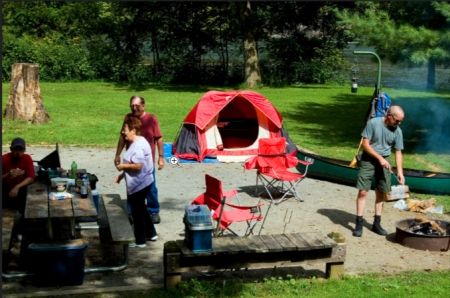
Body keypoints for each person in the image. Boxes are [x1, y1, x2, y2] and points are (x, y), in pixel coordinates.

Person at [353, 105, 405, 237]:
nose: (398, 123)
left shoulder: (397, 131)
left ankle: (376, 224)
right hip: (368, 159)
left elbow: (398, 152)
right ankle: (358, 224)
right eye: (397, 120)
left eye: (400, 121)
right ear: (389, 115)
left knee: (381, 192)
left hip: (384, 161)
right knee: (363, 192)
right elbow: (365, 144)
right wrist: (380, 158)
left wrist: (400, 172)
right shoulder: (373, 123)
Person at [115, 95, 165, 224]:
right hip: (131, 158)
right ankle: (133, 212)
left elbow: (158, 138)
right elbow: (122, 137)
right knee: (131, 185)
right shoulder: (128, 118)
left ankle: (153, 211)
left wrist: (161, 157)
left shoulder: (151, 119)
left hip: (147, 161)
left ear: (143, 105)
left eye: (137, 106)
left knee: (150, 186)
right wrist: (118, 154)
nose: (134, 108)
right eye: (132, 106)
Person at [115, 115, 157, 248]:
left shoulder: (138, 145)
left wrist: (123, 167)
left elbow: (138, 165)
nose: (123, 132)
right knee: (142, 208)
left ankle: (140, 241)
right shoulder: (138, 141)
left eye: (125, 129)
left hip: (140, 184)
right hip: (143, 182)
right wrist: (123, 175)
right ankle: (151, 233)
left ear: (133, 130)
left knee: (136, 212)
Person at [2, 137, 36, 215]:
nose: (18, 152)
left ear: (24, 150)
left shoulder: (27, 158)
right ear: (11, 149)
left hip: (21, 189)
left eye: (20, 150)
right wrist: (7, 175)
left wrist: (17, 187)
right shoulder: (4, 159)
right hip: (5, 189)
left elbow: (31, 177)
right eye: (15, 149)